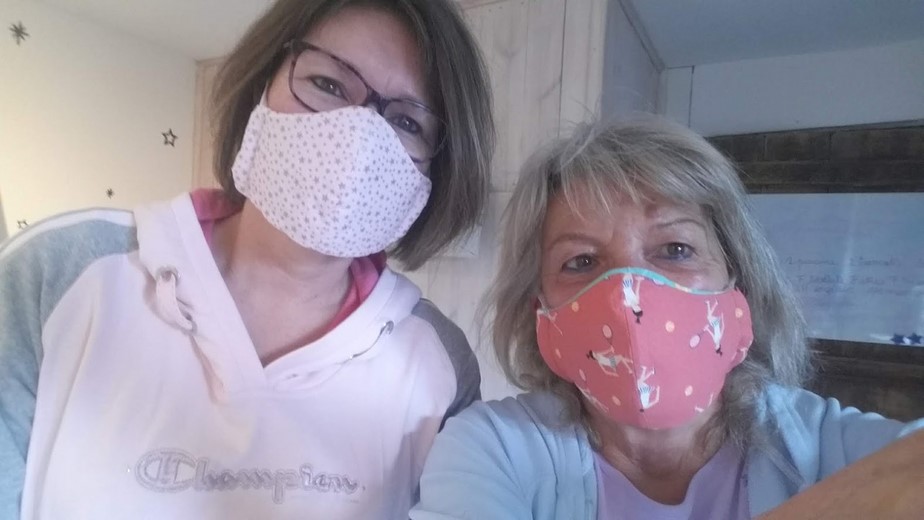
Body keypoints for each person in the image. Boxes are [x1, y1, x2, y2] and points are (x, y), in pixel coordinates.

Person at [0, 0, 494, 518]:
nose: (358, 140)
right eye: (328, 84)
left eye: (407, 122)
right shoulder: (59, 273)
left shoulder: (440, 365)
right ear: (262, 83)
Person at [410, 119, 924, 519]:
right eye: (581, 261)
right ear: (539, 312)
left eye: (675, 249)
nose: (627, 294)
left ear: (738, 283)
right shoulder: (495, 449)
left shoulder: (821, 447)